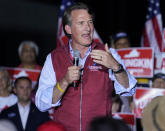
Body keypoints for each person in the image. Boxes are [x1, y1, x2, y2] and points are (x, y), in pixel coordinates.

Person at [35, 2, 137, 131]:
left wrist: (116, 67)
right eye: (81, 23)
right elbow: (41, 104)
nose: (88, 28)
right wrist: (64, 81)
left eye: (90, 22)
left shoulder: (108, 53)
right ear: (68, 29)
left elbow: (129, 89)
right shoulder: (54, 57)